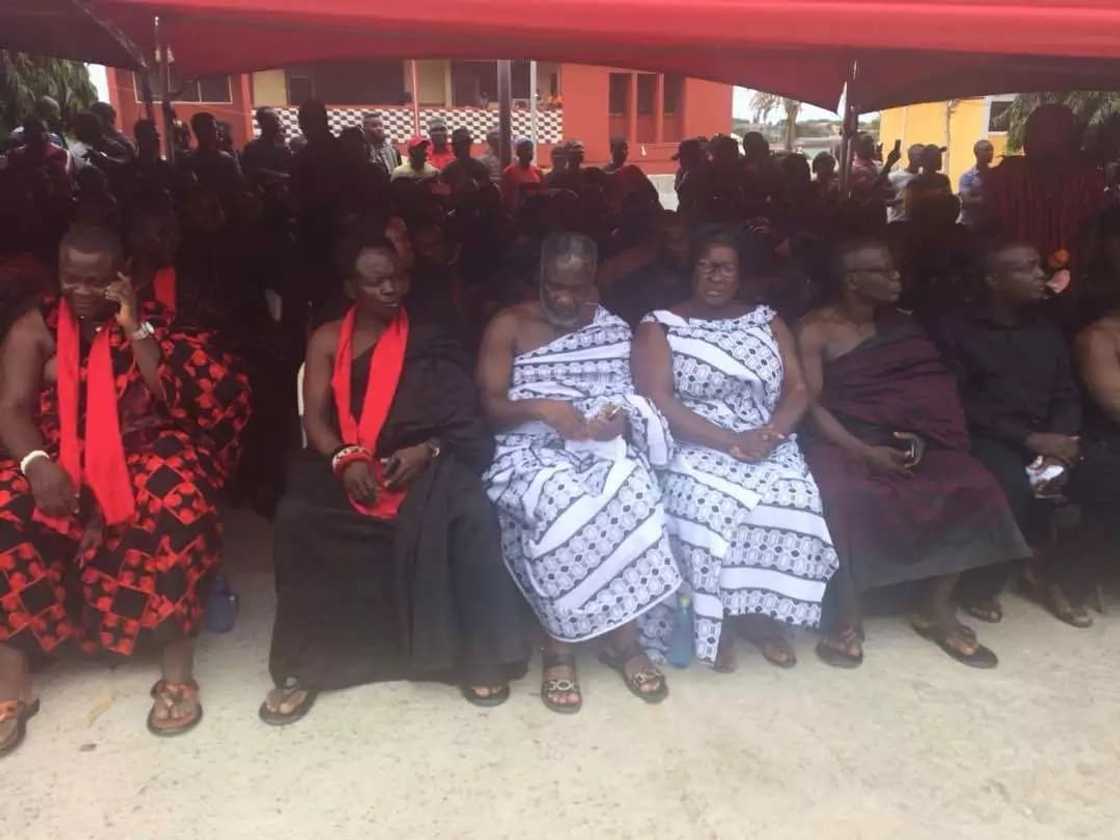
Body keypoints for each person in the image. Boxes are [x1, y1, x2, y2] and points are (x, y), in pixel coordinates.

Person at [0, 225, 250, 755]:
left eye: (98, 281)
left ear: (124, 275)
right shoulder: (35, 326)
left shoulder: (159, 321)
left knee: (178, 502)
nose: (84, 292)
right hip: (57, 450)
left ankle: (177, 669)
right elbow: (11, 407)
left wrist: (134, 327)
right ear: (58, 274)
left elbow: (183, 398)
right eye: (73, 279)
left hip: (146, 443)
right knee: (3, 509)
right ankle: (12, 679)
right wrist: (36, 463)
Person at [261, 234, 528, 724]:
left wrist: (428, 450)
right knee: (297, 519)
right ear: (350, 287)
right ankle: (307, 665)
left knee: (471, 513)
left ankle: (475, 656)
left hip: (426, 459)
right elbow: (316, 421)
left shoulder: (434, 335)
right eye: (375, 282)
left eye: (396, 278)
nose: (390, 289)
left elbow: (461, 416)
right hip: (351, 460)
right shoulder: (326, 338)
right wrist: (345, 457)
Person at [798, 240, 1029, 668]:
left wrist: (921, 433)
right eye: (884, 271)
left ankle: (936, 607)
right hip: (841, 438)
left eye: (895, 270)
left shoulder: (903, 325)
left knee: (973, 483)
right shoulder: (815, 329)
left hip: (911, 438)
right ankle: (848, 611)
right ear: (853, 280)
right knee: (842, 494)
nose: (896, 278)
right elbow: (811, 407)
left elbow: (925, 391)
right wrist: (865, 451)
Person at [477, 232, 681, 713]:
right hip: (528, 450)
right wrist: (541, 408)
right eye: (555, 287)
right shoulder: (508, 326)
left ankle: (624, 640)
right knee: (558, 502)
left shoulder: (611, 330)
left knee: (635, 492)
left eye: (578, 287)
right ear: (539, 279)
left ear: (595, 282)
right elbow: (487, 407)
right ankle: (559, 646)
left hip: (595, 446)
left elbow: (627, 399)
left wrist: (617, 419)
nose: (566, 298)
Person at [631, 230, 837, 671]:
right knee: (709, 505)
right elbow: (659, 399)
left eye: (726, 267)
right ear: (691, 271)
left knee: (793, 498)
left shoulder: (767, 320)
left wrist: (772, 434)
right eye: (706, 265)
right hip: (692, 439)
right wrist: (729, 441)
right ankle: (716, 618)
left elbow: (798, 388)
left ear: (741, 274)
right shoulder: (660, 324)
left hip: (767, 437)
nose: (715, 275)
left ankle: (758, 616)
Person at [934, 241, 1090, 627]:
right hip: (990, 436)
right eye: (1026, 269)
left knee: (1098, 477)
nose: (1040, 275)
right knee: (1009, 485)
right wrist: (1029, 440)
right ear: (993, 280)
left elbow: (1066, 392)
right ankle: (982, 583)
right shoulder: (957, 330)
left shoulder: (1047, 329)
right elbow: (959, 402)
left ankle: (1051, 576)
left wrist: (1061, 440)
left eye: (1039, 266)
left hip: (1049, 436)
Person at [985, 105, 1104, 279]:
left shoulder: (1087, 181)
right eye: (1034, 132)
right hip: (1015, 287)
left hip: (1065, 285)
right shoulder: (1006, 176)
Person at [241, 106, 293, 184]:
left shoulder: (283, 147)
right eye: (275, 119)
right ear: (263, 122)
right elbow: (250, 174)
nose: (279, 123)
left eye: (278, 119)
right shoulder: (251, 148)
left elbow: (290, 171)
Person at [958, 139, 995, 230]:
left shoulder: (996, 175)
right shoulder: (967, 177)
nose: (990, 153)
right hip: (971, 225)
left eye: (991, 150)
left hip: (991, 225)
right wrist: (987, 199)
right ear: (977, 153)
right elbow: (966, 200)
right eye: (986, 150)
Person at [442, 128, 491, 193]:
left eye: (462, 144)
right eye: (456, 145)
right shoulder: (449, 169)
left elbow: (488, 191)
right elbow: (443, 193)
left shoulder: (480, 167)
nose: (458, 148)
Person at [501, 137, 543, 212]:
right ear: (518, 152)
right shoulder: (509, 172)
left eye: (531, 149)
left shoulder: (538, 171)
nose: (529, 152)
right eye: (526, 150)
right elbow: (505, 197)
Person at [887, 144, 925, 224]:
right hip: (898, 221)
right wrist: (899, 201)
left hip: (916, 223)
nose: (922, 158)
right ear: (910, 156)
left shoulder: (923, 178)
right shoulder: (894, 176)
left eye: (924, 155)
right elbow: (885, 200)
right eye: (919, 155)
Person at [362, 111, 400, 176]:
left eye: (381, 125)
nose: (379, 128)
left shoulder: (393, 150)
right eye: (374, 125)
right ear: (365, 129)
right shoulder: (362, 151)